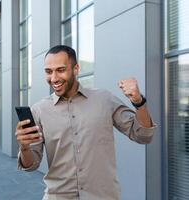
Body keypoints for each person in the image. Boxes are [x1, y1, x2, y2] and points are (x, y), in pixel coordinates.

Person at [15, 45, 156, 200]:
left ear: (76, 69)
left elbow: (143, 136)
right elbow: (31, 165)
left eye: (60, 70)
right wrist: (24, 147)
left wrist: (138, 102)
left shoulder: (104, 99)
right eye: (49, 72)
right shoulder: (39, 110)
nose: (54, 78)